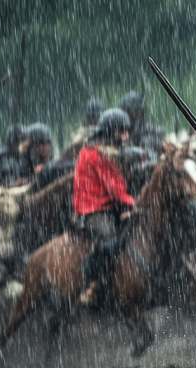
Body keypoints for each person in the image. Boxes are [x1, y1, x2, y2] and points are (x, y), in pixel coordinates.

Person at [73, 108, 136, 306]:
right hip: (94, 209)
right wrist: (137, 204)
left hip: (109, 205)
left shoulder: (106, 150)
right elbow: (115, 189)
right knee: (112, 243)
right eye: (121, 131)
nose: (125, 135)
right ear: (109, 131)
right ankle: (90, 284)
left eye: (126, 130)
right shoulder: (96, 154)